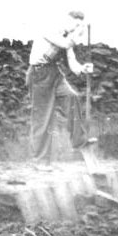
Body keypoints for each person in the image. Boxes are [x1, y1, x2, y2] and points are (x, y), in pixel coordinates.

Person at [26, 10, 95, 162]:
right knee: (43, 118)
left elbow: (72, 61)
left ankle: (79, 141)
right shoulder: (50, 29)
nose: (77, 28)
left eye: (80, 25)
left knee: (72, 97)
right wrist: (79, 33)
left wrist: (82, 69)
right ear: (67, 20)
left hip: (54, 73)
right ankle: (40, 159)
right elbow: (66, 44)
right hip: (39, 74)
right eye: (76, 25)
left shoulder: (67, 36)